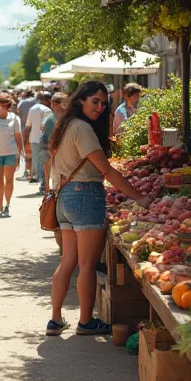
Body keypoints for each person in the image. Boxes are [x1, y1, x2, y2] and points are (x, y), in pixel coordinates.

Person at [47, 81, 152, 336]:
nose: (100, 107)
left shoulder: (66, 125)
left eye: (104, 103)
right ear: (81, 99)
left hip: (65, 197)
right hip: (84, 196)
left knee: (68, 261)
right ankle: (85, 321)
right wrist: (139, 197)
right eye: (95, 101)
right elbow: (105, 170)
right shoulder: (82, 129)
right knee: (87, 264)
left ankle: (56, 319)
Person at [0, 93, 23, 216]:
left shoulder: (14, 118)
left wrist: (19, 155)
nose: (0, 107)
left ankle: (7, 204)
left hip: (11, 152)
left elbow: (18, 137)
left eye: (3, 105)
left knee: (9, 179)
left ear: (7, 106)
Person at [38, 92, 66, 195]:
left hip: (54, 155)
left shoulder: (52, 118)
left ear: (54, 104)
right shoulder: (66, 117)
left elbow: (51, 141)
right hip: (59, 155)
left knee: (56, 185)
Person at [24, 92, 52, 184]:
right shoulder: (47, 110)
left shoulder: (32, 109)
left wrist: (25, 139)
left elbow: (28, 126)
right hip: (44, 138)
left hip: (33, 137)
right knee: (44, 159)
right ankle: (43, 180)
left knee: (35, 158)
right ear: (46, 100)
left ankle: (36, 177)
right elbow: (47, 126)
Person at [16, 91, 36, 180]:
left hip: (25, 130)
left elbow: (18, 114)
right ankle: (34, 173)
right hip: (36, 130)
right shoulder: (37, 102)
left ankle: (27, 173)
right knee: (35, 153)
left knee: (27, 154)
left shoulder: (22, 103)